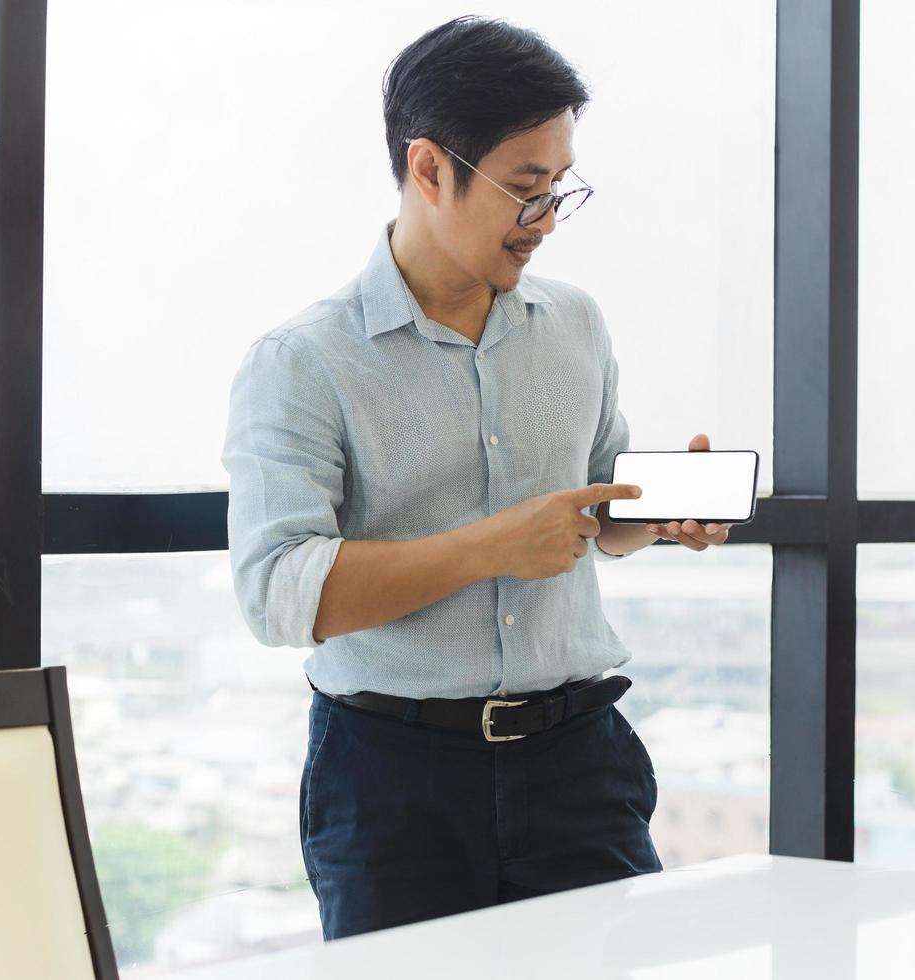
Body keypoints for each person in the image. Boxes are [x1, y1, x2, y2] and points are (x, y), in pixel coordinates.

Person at [221, 15, 730, 941]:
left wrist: (655, 515)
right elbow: (277, 595)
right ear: (427, 168)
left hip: (581, 764)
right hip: (392, 783)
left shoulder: (575, 326)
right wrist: (492, 546)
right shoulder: (302, 361)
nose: (543, 221)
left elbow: (593, 515)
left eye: (559, 190)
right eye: (524, 190)